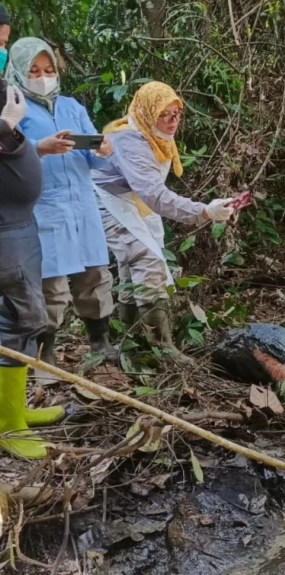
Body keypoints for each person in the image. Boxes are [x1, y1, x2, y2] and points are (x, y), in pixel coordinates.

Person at [92, 81, 236, 360]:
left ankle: (133, 341)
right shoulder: (129, 141)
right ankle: (161, 346)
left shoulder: (153, 134)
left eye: (177, 114)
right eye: (165, 115)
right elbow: (155, 195)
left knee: (132, 264)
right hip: (109, 202)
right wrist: (205, 211)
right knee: (146, 259)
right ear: (148, 113)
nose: (173, 122)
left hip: (132, 201)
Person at [6, 38, 119, 374]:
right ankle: (46, 357)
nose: (44, 76)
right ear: (19, 72)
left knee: (95, 277)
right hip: (44, 207)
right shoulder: (13, 109)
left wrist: (101, 151)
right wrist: (39, 147)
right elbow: (8, 156)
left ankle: (100, 343)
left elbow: (94, 160)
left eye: (49, 69)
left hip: (82, 205)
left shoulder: (72, 106)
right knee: (51, 287)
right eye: (35, 70)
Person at [0, 79, 64, 459]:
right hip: (5, 233)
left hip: (18, 226)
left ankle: (13, 408)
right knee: (12, 324)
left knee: (20, 322)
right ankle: (9, 427)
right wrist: (6, 123)